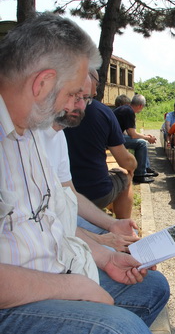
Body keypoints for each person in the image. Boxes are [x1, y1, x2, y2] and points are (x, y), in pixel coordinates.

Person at [0, 13, 170, 334]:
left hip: (46, 275)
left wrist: (99, 251)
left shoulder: (36, 129)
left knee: (149, 287)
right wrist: (70, 286)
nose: (82, 104)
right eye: (76, 93)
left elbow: (51, 217)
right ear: (42, 84)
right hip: (10, 304)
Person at [39, 75, 139, 252]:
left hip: (62, 220)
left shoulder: (59, 134)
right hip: (47, 240)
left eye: (86, 99)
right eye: (76, 96)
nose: (82, 106)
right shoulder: (26, 138)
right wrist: (100, 241)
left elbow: (70, 193)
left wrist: (113, 224)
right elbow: (44, 222)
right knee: (125, 178)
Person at [64, 70, 137, 218]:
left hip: (63, 193)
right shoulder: (102, 112)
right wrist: (134, 166)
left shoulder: (53, 116)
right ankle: (124, 224)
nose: (96, 92)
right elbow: (125, 160)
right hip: (94, 194)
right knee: (125, 175)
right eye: (96, 85)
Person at [113, 94, 158, 184]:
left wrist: (145, 136)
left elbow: (131, 133)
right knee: (142, 143)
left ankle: (145, 167)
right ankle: (139, 174)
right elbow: (133, 135)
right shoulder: (129, 112)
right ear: (141, 106)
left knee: (142, 140)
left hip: (113, 137)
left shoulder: (126, 109)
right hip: (111, 140)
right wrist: (148, 138)